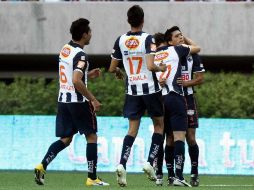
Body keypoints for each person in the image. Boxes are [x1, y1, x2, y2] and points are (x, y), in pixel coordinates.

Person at [34, 18, 109, 186]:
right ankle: (92, 177)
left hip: (63, 100)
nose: (91, 34)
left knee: (66, 138)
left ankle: (42, 165)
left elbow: (70, 76)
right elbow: (76, 80)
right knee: (91, 136)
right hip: (78, 101)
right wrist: (93, 99)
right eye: (89, 32)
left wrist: (88, 75)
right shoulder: (81, 55)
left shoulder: (65, 49)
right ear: (84, 35)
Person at [109, 5, 166, 187]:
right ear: (143, 20)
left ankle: (122, 164)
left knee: (132, 129)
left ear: (128, 20)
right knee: (159, 125)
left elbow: (111, 68)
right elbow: (150, 66)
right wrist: (161, 68)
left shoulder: (121, 39)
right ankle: (150, 162)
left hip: (132, 90)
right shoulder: (148, 39)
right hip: (150, 89)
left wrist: (119, 72)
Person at [153, 31, 200, 187]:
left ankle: (193, 173)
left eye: (182, 35)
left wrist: (187, 83)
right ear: (169, 41)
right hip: (175, 97)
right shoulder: (172, 51)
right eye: (177, 36)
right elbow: (197, 47)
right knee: (172, 137)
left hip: (185, 98)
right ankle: (171, 174)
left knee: (190, 137)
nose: (180, 37)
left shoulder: (187, 54)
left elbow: (201, 78)